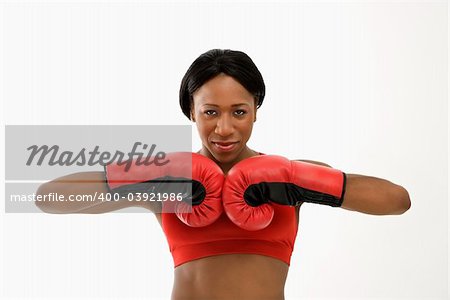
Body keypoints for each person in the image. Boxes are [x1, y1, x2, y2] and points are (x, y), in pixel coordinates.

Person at [36, 49, 411, 300]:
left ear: (256, 109)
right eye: (210, 112)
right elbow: (48, 197)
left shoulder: (292, 178)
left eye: (239, 111)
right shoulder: (168, 180)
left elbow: (398, 201)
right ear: (191, 112)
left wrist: (298, 178)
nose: (225, 128)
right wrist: (145, 172)